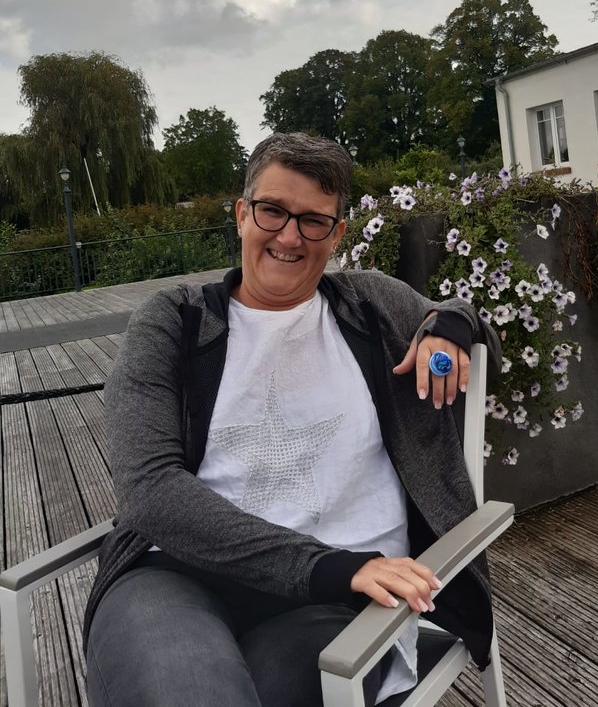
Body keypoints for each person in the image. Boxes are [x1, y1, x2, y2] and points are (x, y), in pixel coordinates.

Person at [84, 132, 501, 707]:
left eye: (313, 221)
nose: (288, 236)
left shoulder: (373, 307)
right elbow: (148, 490)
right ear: (241, 214)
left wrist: (450, 324)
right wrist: (322, 565)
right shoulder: (174, 322)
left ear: (337, 234)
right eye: (272, 211)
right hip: (176, 575)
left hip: (334, 603)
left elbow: (474, 327)